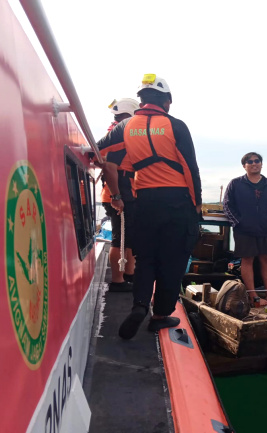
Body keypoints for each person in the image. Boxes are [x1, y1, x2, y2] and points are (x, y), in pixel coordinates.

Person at [99, 74, 202, 339]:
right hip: (177, 200)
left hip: (144, 200)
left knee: (145, 258)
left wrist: (116, 190)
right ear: (167, 101)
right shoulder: (176, 125)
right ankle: (159, 316)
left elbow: (98, 151)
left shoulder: (125, 126)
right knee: (173, 260)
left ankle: (140, 305)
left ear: (142, 100)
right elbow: (190, 168)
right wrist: (197, 204)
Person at [223, 152, 267, 307]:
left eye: (257, 161)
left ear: (261, 164)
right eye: (250, 161)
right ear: (244, 166)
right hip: (244, 230)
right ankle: (253, 297)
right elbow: (227, 205)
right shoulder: (235, 183)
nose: (254, 163)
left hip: (265, 228)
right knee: (247, 260)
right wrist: (237, 223)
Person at [99, 98, 140, 291]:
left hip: (126, 192)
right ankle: (117, 281)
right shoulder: (119, 138)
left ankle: (129, 274)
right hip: (119, 194)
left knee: (129, 236)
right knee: (119, 238)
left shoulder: (118, 135)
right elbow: (109, 168)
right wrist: (116, 197)